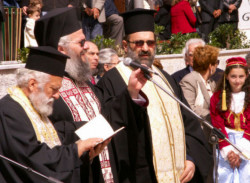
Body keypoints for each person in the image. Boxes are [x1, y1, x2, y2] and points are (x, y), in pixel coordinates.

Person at [97, 8, 212, 183]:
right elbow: (113, 131)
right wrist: (131, 96)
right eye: (139, 43)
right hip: (141, 175)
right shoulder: (111, 81)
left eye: (150, 43)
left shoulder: (165, 79)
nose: (145, 48)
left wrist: (190, 157)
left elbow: (189, 123)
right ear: (125, 46)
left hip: (179, 174)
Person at [34, 7, 121, 183]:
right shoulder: (43, 91)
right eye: (81, 43)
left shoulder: (84, 81)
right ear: (61, 49)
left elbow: (107, 113)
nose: (85, 47)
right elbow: (45, 138)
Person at [0, 46, 109, 183]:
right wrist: (76, 150)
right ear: (32, 84)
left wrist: (85, 153)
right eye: (54, 89)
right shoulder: (9, 111)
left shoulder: (35, 106)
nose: (58, 96)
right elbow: (32, 160)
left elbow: (54, 143)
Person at [210, 57, 250, 183]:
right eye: (233, 76)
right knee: (224, 176)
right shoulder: (217, 98)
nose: (237, 81)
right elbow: (217, 123)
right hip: (225, 142)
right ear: (226, 76)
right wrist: (229, 152)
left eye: (241, 76)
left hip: (247, 142)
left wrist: (240, 151)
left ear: (247, 76)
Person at [180, 45, 219, 141]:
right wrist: (211, 116)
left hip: (210, 136)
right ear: (210, 66)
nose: (217, 65)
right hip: (196, 136)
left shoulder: (211, 83)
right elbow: (188, 107)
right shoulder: (189, 80)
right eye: (216, 62)